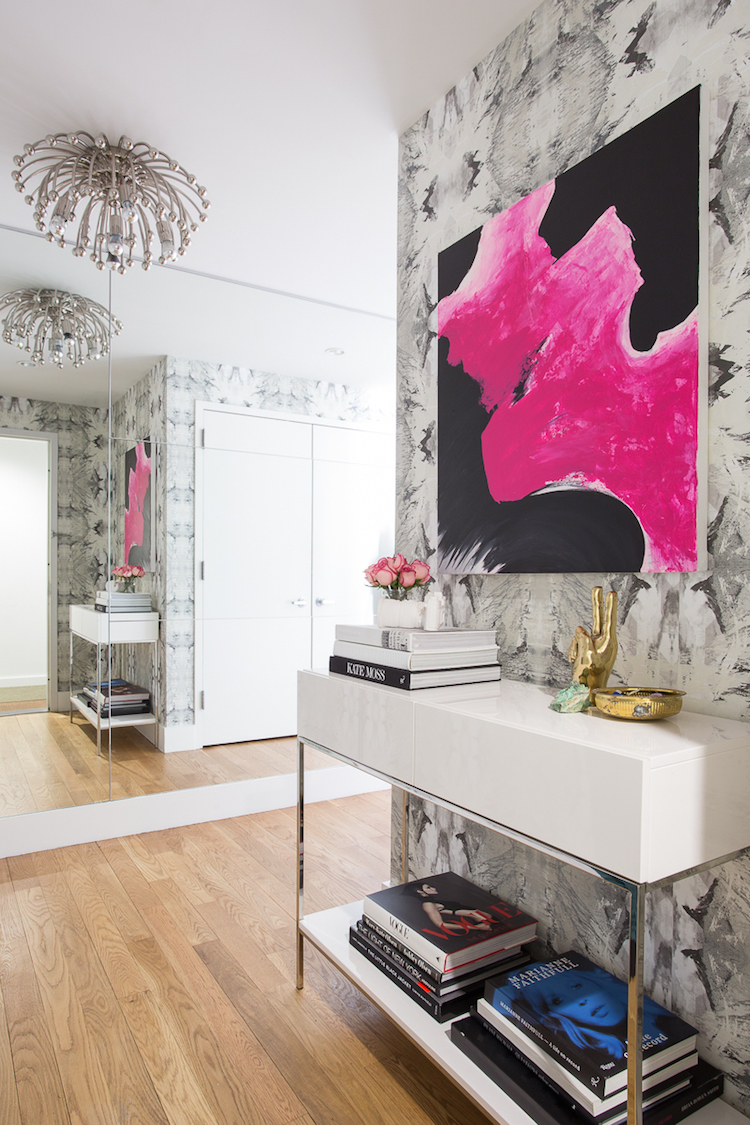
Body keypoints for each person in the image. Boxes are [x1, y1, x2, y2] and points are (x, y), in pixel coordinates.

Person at [509, 964, 667, 1059]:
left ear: (595, 983)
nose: (580, 999)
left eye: (576, 986)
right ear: (555, 1018)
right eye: (557, 1000)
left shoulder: (666, 1022)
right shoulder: (594, 1056)